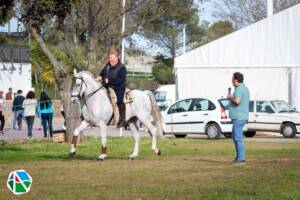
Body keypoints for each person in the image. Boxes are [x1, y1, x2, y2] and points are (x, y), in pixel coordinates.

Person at [95, 49, 127, 128]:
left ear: (117, 57)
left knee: (119, 101)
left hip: (118, 87)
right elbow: (101, 75)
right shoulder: (108, 66)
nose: (110, 59)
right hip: (107, 87)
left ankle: (122, 120)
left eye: (112, 58)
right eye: (110, 58)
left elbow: (121, 80)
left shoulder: (122, 68)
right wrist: (94, 80)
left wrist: (109, 81)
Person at [227, 72, 250, 165]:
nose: (231, 80)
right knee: (235, 136)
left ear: (236, 80)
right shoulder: (243, 88)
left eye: (232, 79)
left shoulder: (239, 89)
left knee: (238, 137)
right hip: (240, 117)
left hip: (239, 118)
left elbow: (237, 101)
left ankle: (241, 159)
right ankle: (238, 157)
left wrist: (230, 97)